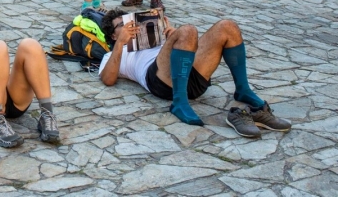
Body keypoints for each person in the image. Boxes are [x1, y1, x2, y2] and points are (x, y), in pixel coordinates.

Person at [98, 9, 292, 137]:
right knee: (188, 30)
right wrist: (121, 43)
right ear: (113, 35)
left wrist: (172, 37)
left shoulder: (155, 41)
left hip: (189, 75)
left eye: (130, 21)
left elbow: (185, 43)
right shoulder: (115, 53)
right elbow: (108, 79)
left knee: (227, 26)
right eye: (122, 25)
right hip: (159, 80)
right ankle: (179, 103)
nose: (130, 26)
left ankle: (243, 88)